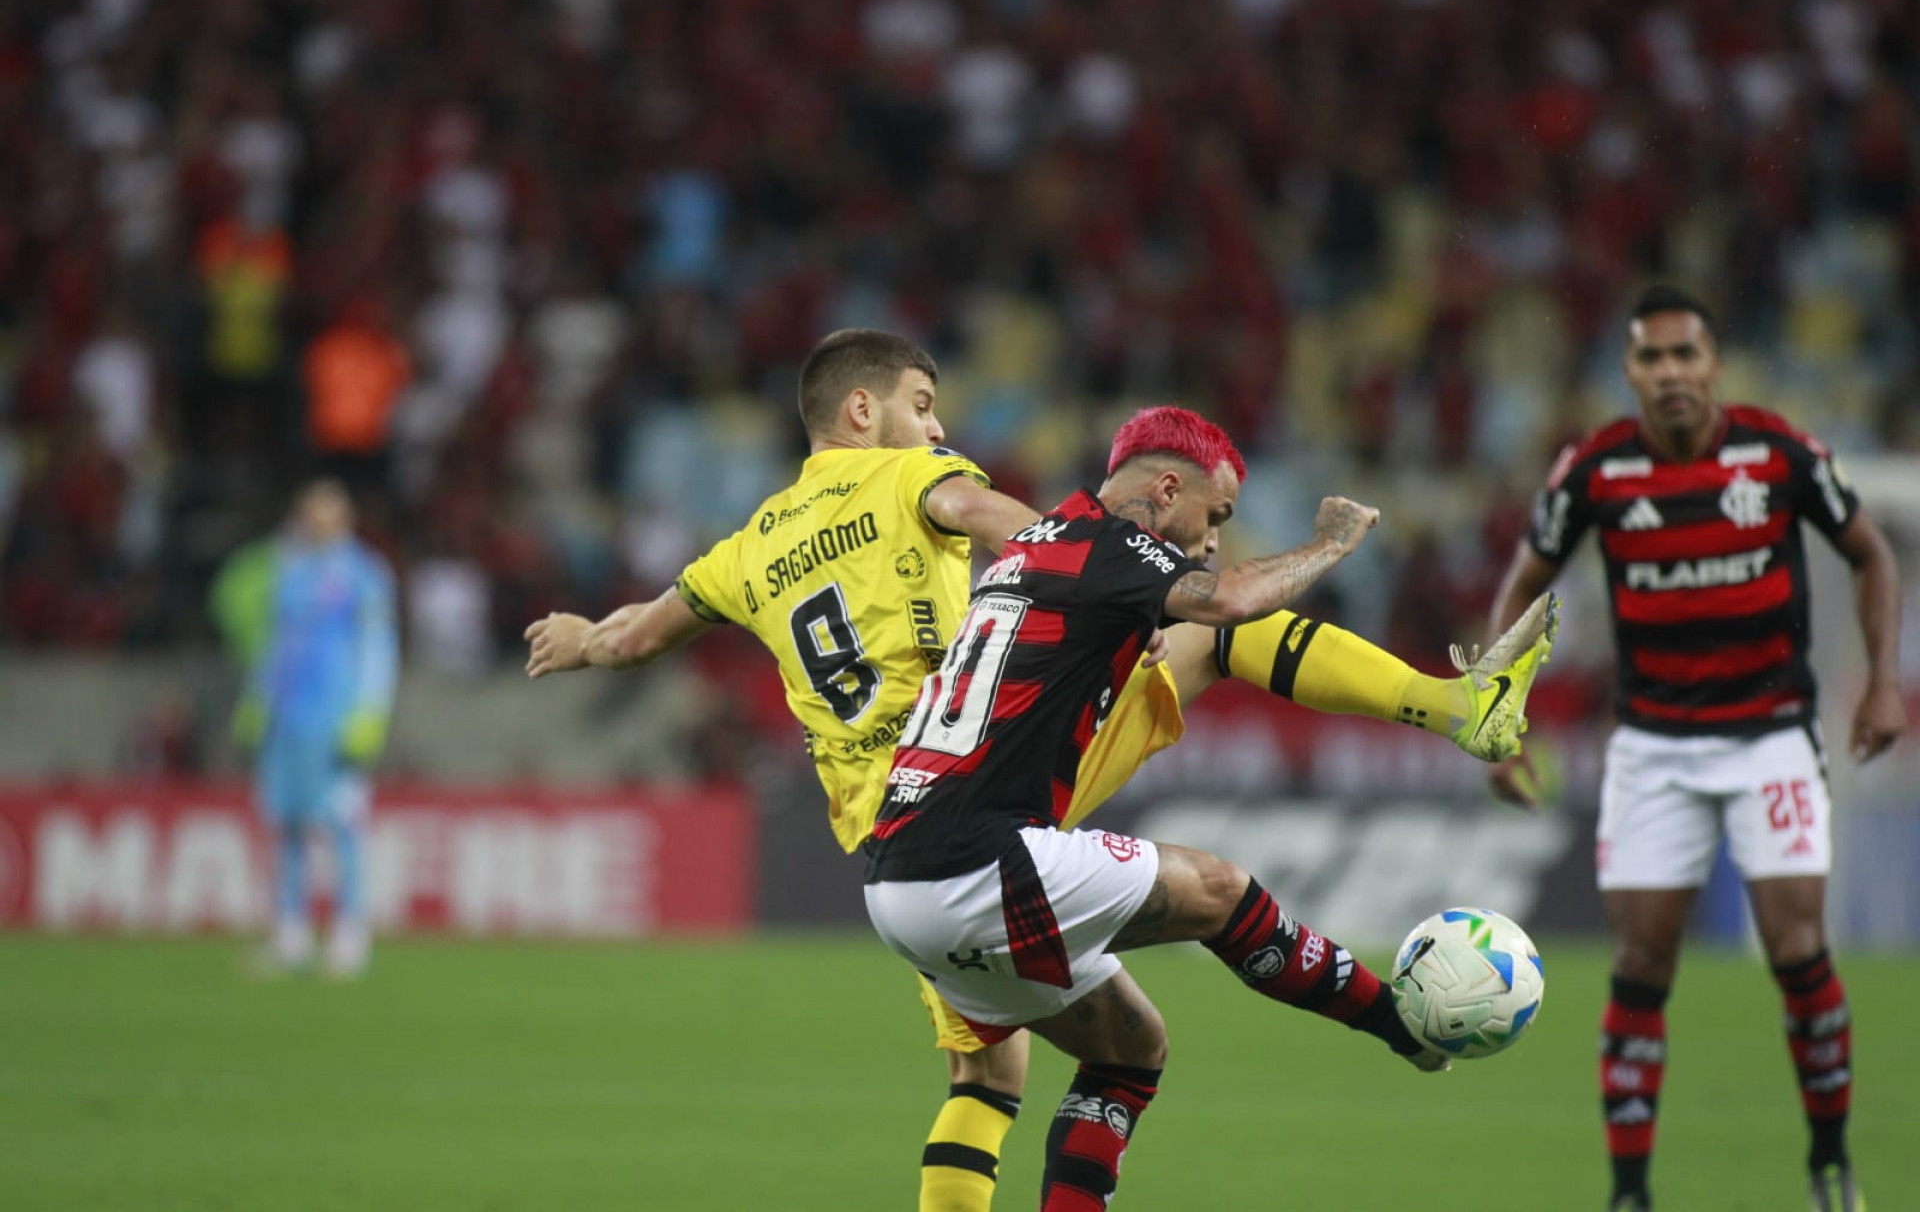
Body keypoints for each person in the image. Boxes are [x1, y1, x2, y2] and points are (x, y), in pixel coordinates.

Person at [524, 330, 1555, 1212]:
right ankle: (1457, 707)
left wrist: (581, 638)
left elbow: (637, 632)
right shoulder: (915, 477)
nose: (936, 427)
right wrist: (1092, 562)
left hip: (888, 826)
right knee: (1213, 650)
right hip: (975, 783)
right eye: (921, 406)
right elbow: (1008, 528)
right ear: (859, 409)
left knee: (1005, 1064)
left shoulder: (745, 547)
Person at [864, 405, 1501, 1210]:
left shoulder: (1036, 544)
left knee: (1131, 1047)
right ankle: (1400, 1028)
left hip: (899, 880)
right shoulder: (1108, 544)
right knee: (1218, 891)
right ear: (1166, 489)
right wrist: (1334, 541)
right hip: (978, 858)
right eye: (1215, 515)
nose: (1210, 540)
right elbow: (1232, 602)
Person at [1483, 285, 1905, 1212]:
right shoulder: (1595, 472)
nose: (1670, 373)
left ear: (1715, 365)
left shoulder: (1778, 452)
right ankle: (1630, 1192)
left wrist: (1878, 680)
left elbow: (1872, 552)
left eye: (1686, 355)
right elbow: (1524, 583)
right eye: (1651, 358)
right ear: (1629, 372)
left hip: (1771, 740)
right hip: (1655, 746)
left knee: (1798, 948)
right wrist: (1494, 714)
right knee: (1640, 965)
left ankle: (1830, 1160)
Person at [220, 479, 399, 978]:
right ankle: (290, 934)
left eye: (329, 512)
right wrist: (257, 702)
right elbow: (276, 644)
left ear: (346, 518)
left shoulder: (365, 575)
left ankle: (350, 932)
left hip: (335, 716)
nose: (318, 520)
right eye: (312, 511)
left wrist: (369, 713)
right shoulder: (291, 572)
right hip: (287, 718)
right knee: (287, 823)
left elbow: (378, 647)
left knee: (341, 822)